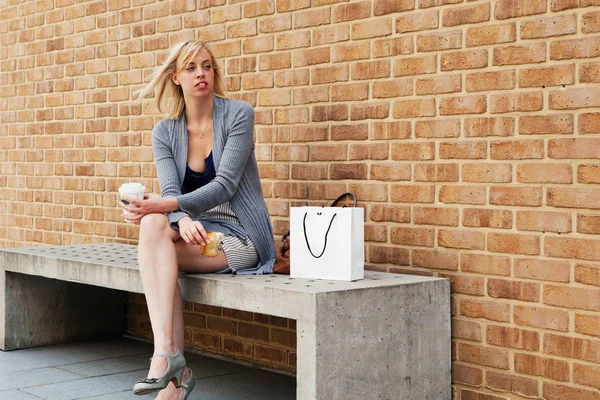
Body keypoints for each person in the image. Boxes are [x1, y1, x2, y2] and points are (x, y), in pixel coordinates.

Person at [120, 40, 276, 400]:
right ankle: (168, 358)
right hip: (194, 234)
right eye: (190, 68)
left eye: (206, 66)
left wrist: (170, 208)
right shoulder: (164, 131)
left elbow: (225, 186)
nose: (200, 73)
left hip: (237, 237)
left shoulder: (238, 115)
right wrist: (177, 218)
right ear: (176, 77)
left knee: (159, 252)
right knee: (152, 226)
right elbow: (170, 191)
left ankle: (171, 369)